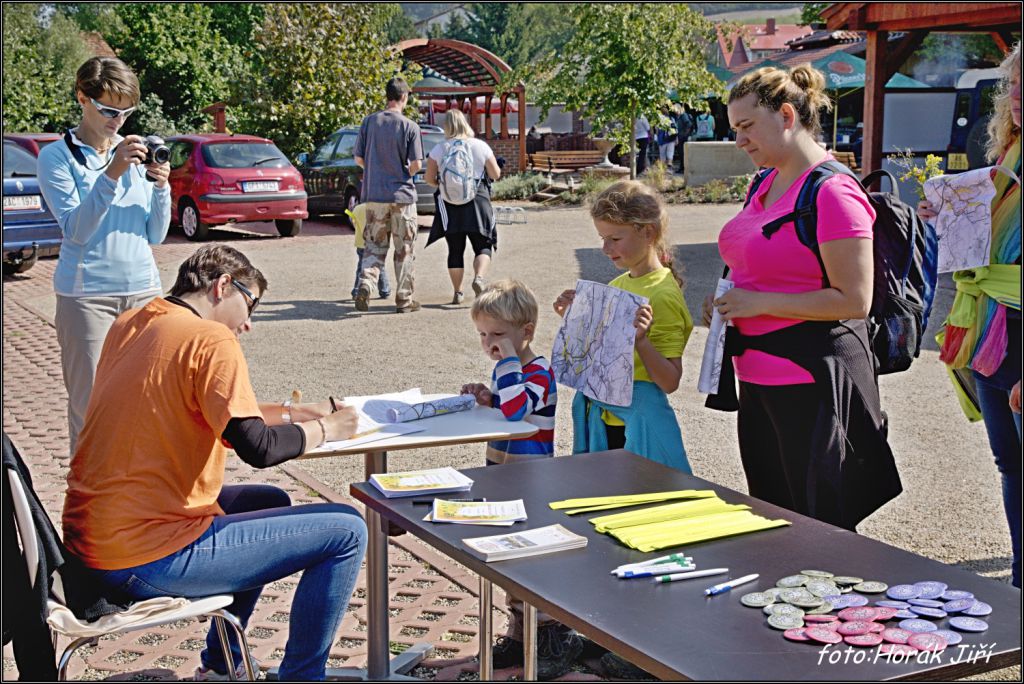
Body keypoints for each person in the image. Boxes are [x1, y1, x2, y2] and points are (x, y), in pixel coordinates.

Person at [61, 245, 368, 680]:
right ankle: (302, 677)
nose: (248, 323)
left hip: (92, 544)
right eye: (251, 304)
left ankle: (222, 666)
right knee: (347, 529)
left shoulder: (132, 323)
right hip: (143, 558)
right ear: (223, 285)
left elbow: (220, 414)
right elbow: (258, 448)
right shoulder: (211, 338)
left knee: (268, 501)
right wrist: (328, 429)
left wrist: (297, 412)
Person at [703, 65, 900, 532]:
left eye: (747, 126)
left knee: (821, 531)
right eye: (735, 129)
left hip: (812, 382)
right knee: (774, 523)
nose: (739, 141)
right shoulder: (763, 182)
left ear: (787, 116)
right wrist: (728, 303)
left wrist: (758, 303)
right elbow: (759, 266)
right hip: (758, 378)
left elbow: (854, 300)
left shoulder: (833, 192)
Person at [917, 42, 1021, 588]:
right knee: (1011, 464)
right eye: (1013, 84)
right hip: (992, 328)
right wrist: (947, 218)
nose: (1017, 95)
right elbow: (985, 245)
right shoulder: (1010, 154)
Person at [37, 56, 171, 455]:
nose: (118, 121)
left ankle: (140, 488)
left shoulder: (133, 153)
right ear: (82, 97)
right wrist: (110, 174)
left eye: (126, 112)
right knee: (91, 407)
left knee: (147, 399)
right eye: (109, 111)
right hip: (87, 297)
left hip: (144, 292)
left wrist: (161, 188)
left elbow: (155, 234)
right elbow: (76, 231)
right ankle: (88, 494)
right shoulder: (56, 157)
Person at [458, 280, 578, 678]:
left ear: (525, 331)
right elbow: (507, 405)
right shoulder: (506, 369)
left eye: (497, 335)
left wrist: (508, 366)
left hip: (531, 477)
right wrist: (487, 395)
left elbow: (516, 409)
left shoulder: (539, 371)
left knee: (532, 557)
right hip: (505, 472)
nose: (489, 343)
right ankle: (519, 630)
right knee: (508, 554)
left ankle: (552, 634)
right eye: (482, 335)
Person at [554, 180, 692, 473]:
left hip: (635, 429)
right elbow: (601, 354)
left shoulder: (663, 296)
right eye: (602, 238)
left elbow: (670, 381)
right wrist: (575, 319)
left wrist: (641, 341)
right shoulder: (619, 285)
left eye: (615, 239)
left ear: (648, 232)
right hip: (607, 423)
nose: (605, 248)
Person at [353, 77, 424, 313]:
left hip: (374, 196)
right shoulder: (410, 126)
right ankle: (404, 300)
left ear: (387, 96)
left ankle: (366, 284)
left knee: (374, 245)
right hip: (402, 197)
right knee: (405, 249)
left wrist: (376, 171)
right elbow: (416, 164)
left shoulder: (369, 122)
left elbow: (358, 158)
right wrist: (404, 172)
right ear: (404, 97)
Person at [424, 109, 502, 304]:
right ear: (465, 123)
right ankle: (479, 278)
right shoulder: (480, 146)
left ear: (446, 126)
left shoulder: (439, 149)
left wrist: (443, 185)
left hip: (450, 204)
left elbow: (429, 178)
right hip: (478, 200)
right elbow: (495, 174)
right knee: (483, 244)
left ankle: (458, 292)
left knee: (455, 249)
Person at [345, 202, 391, 301]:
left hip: (361, 243)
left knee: (361, 268)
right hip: (376, 243)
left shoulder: (358, 208)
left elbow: (353, 222)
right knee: (379, 266)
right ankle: (384, 290)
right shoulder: (380, 208)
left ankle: (356, 290)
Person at [675, 107, 695, 173]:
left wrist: (684, 134)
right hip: (681, 136)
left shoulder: (683, 115)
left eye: (675, 109)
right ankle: (682, 167)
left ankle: (683, 168)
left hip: (683, 137)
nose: (674, 111)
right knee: (681, 153)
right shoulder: (680, 116)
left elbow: (689, 124)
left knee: (682, 153)